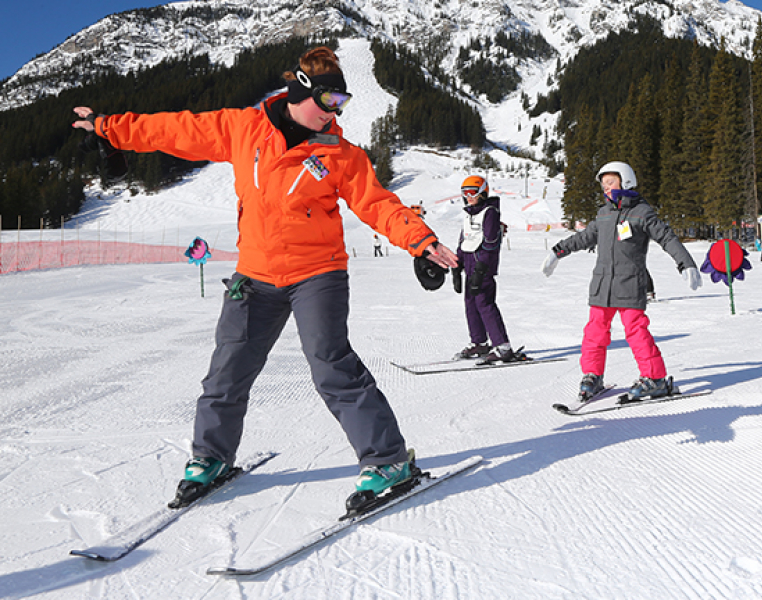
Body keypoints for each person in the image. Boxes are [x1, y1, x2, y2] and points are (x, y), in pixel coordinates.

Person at [71, 46, 459, 513]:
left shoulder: (340, 154)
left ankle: (388, 461)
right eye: (330, 101)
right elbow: (175, 129)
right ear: (301, 92)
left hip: (318, 273)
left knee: (332, 366)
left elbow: (377, 204)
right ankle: (210, 458)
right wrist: (109, 127)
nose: (336, 113)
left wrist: (420, 241)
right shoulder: (243, 128)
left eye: (343, 104)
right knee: (227, 371)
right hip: (255, 274)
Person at [541, 161, 702, 401]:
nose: (606, 188)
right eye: (603, 184)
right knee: (594, 333)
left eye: (610, 182)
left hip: (629, 284)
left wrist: (685, 262)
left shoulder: (641, 212)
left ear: (625, 181)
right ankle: (593, 375)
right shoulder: (604, 214)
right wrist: (558, 251)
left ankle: (655, 379)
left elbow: (666, 237)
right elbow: (584, 237)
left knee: (636, 332)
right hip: (602, 285)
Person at [452, 175, 518, 363]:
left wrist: (481, 268)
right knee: (470, 303)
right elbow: (464, 239)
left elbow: (490, 242)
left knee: (485, 303)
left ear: (482, 192)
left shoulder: (490, 213)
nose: (468, 196)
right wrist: (457, 264)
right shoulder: (469, 213)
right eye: (465, 193)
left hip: (483, 265)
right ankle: (479, 342)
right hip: (469, 263)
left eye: (472, 192)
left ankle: (503, 346)